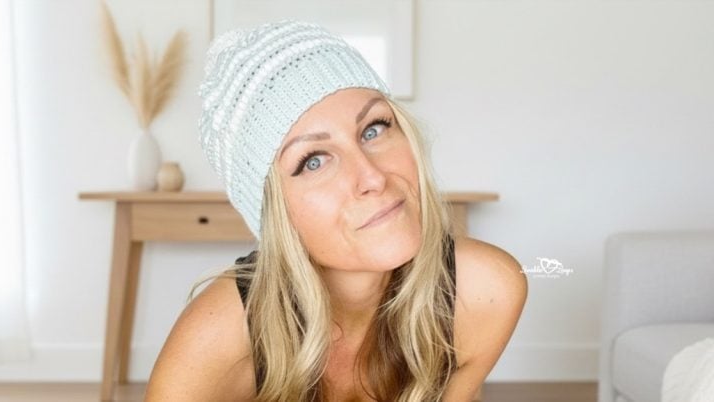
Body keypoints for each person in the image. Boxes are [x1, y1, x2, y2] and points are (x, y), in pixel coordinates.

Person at [145, 19, 527, 402]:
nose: (372, 177)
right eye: (313, 161)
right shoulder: (215, 341)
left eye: (374, 129)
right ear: (273, 213)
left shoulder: (484, 291)